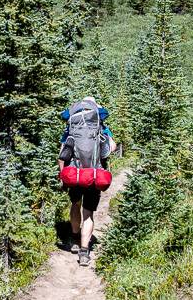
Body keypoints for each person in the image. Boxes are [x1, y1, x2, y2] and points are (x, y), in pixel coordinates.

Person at [58, 97, 117, 267]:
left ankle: (75, 240)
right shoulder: (101, 127)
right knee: (88, 213)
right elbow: (110, 148)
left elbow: (62, 153)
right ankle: (84, 252)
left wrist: (62, 175)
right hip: (93, 174)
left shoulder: (72, 127)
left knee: (75, 204)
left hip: (75, 174)